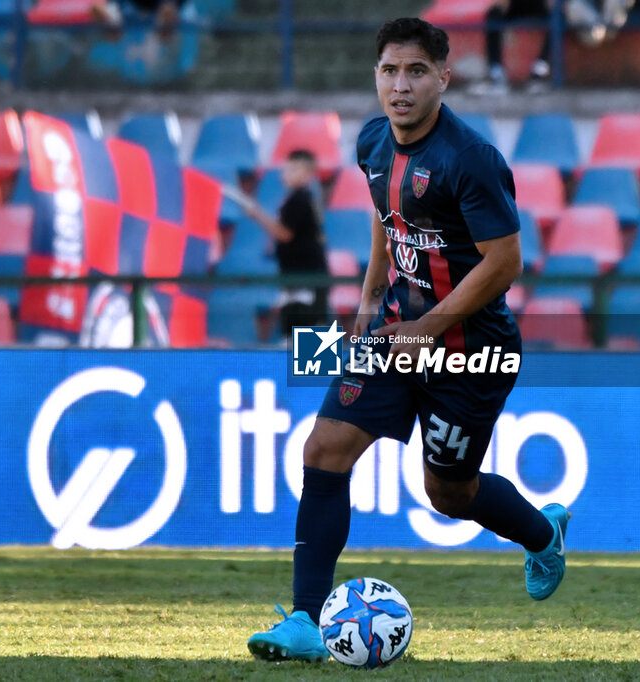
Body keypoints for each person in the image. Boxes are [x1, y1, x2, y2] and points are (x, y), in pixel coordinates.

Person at [247, 17, 570, 663]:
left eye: (416, 72)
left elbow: (504, 263)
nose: (401, 86)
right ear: (376, 77)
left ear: (443, 78)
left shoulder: (471, 161)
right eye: (390, 71)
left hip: (470, 352)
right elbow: (386, 217)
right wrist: (370, 299)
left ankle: (542, 532)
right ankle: (307, 624)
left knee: (447, 493)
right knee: (325, 446)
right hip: (396, 330)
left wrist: (429, 328)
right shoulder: (373, 142)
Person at [238, 149, 330, 335]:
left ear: (308, 173)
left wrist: (257, 214)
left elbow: (284, 233)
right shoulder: (296, 199)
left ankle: (318, 365)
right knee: (296, 335)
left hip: (306, 279)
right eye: (286, 169)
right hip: (295, 277)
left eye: (294, 169)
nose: (286, 174)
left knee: (311, 335)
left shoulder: (300, 199)